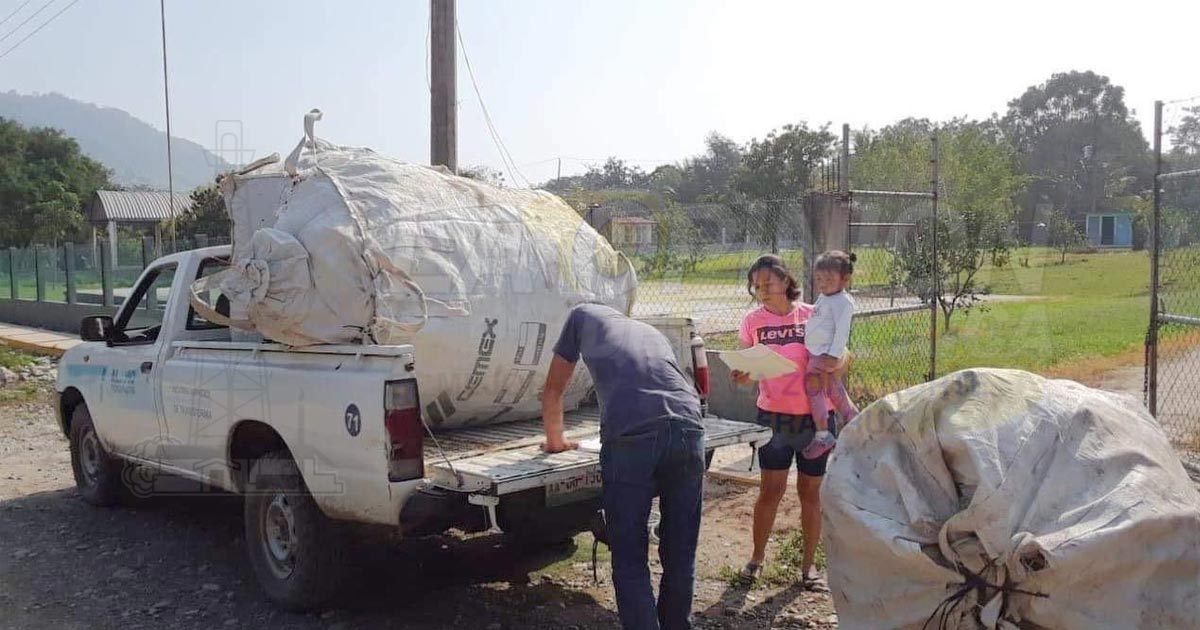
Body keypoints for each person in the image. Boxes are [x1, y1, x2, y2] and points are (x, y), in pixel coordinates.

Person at [541, 303, 706, 630]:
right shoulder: (648, 331)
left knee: (630, 555)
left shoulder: (578, 317)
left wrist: (555, 441)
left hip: (633, 433)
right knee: (680, 551)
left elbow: (552, 390)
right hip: (690, 428)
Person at [730, 254, 832, 591]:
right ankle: (756, 560)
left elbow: (839, 353)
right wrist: (742, 375)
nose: (761, 291)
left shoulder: (814, 315)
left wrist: (836, 366)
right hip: (773, 417)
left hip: (815, 419)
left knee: (810, 493)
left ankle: (808, 568)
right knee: (770, 491)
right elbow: (744, 369)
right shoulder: (752, 321)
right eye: (756, 286)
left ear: (786, 282)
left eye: (767, 284)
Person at [800, 250, 860, 459]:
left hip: (825, 354)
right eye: (819, 279)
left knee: (815, 388)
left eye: (828, 279)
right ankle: (852, 418)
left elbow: (842, 331)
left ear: (845, 279)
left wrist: (834, 355)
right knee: (831, 387)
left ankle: (824, 433)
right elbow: (819, 321)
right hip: (817, 352)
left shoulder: (843, 302)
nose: (822, 283)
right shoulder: (826, 297)